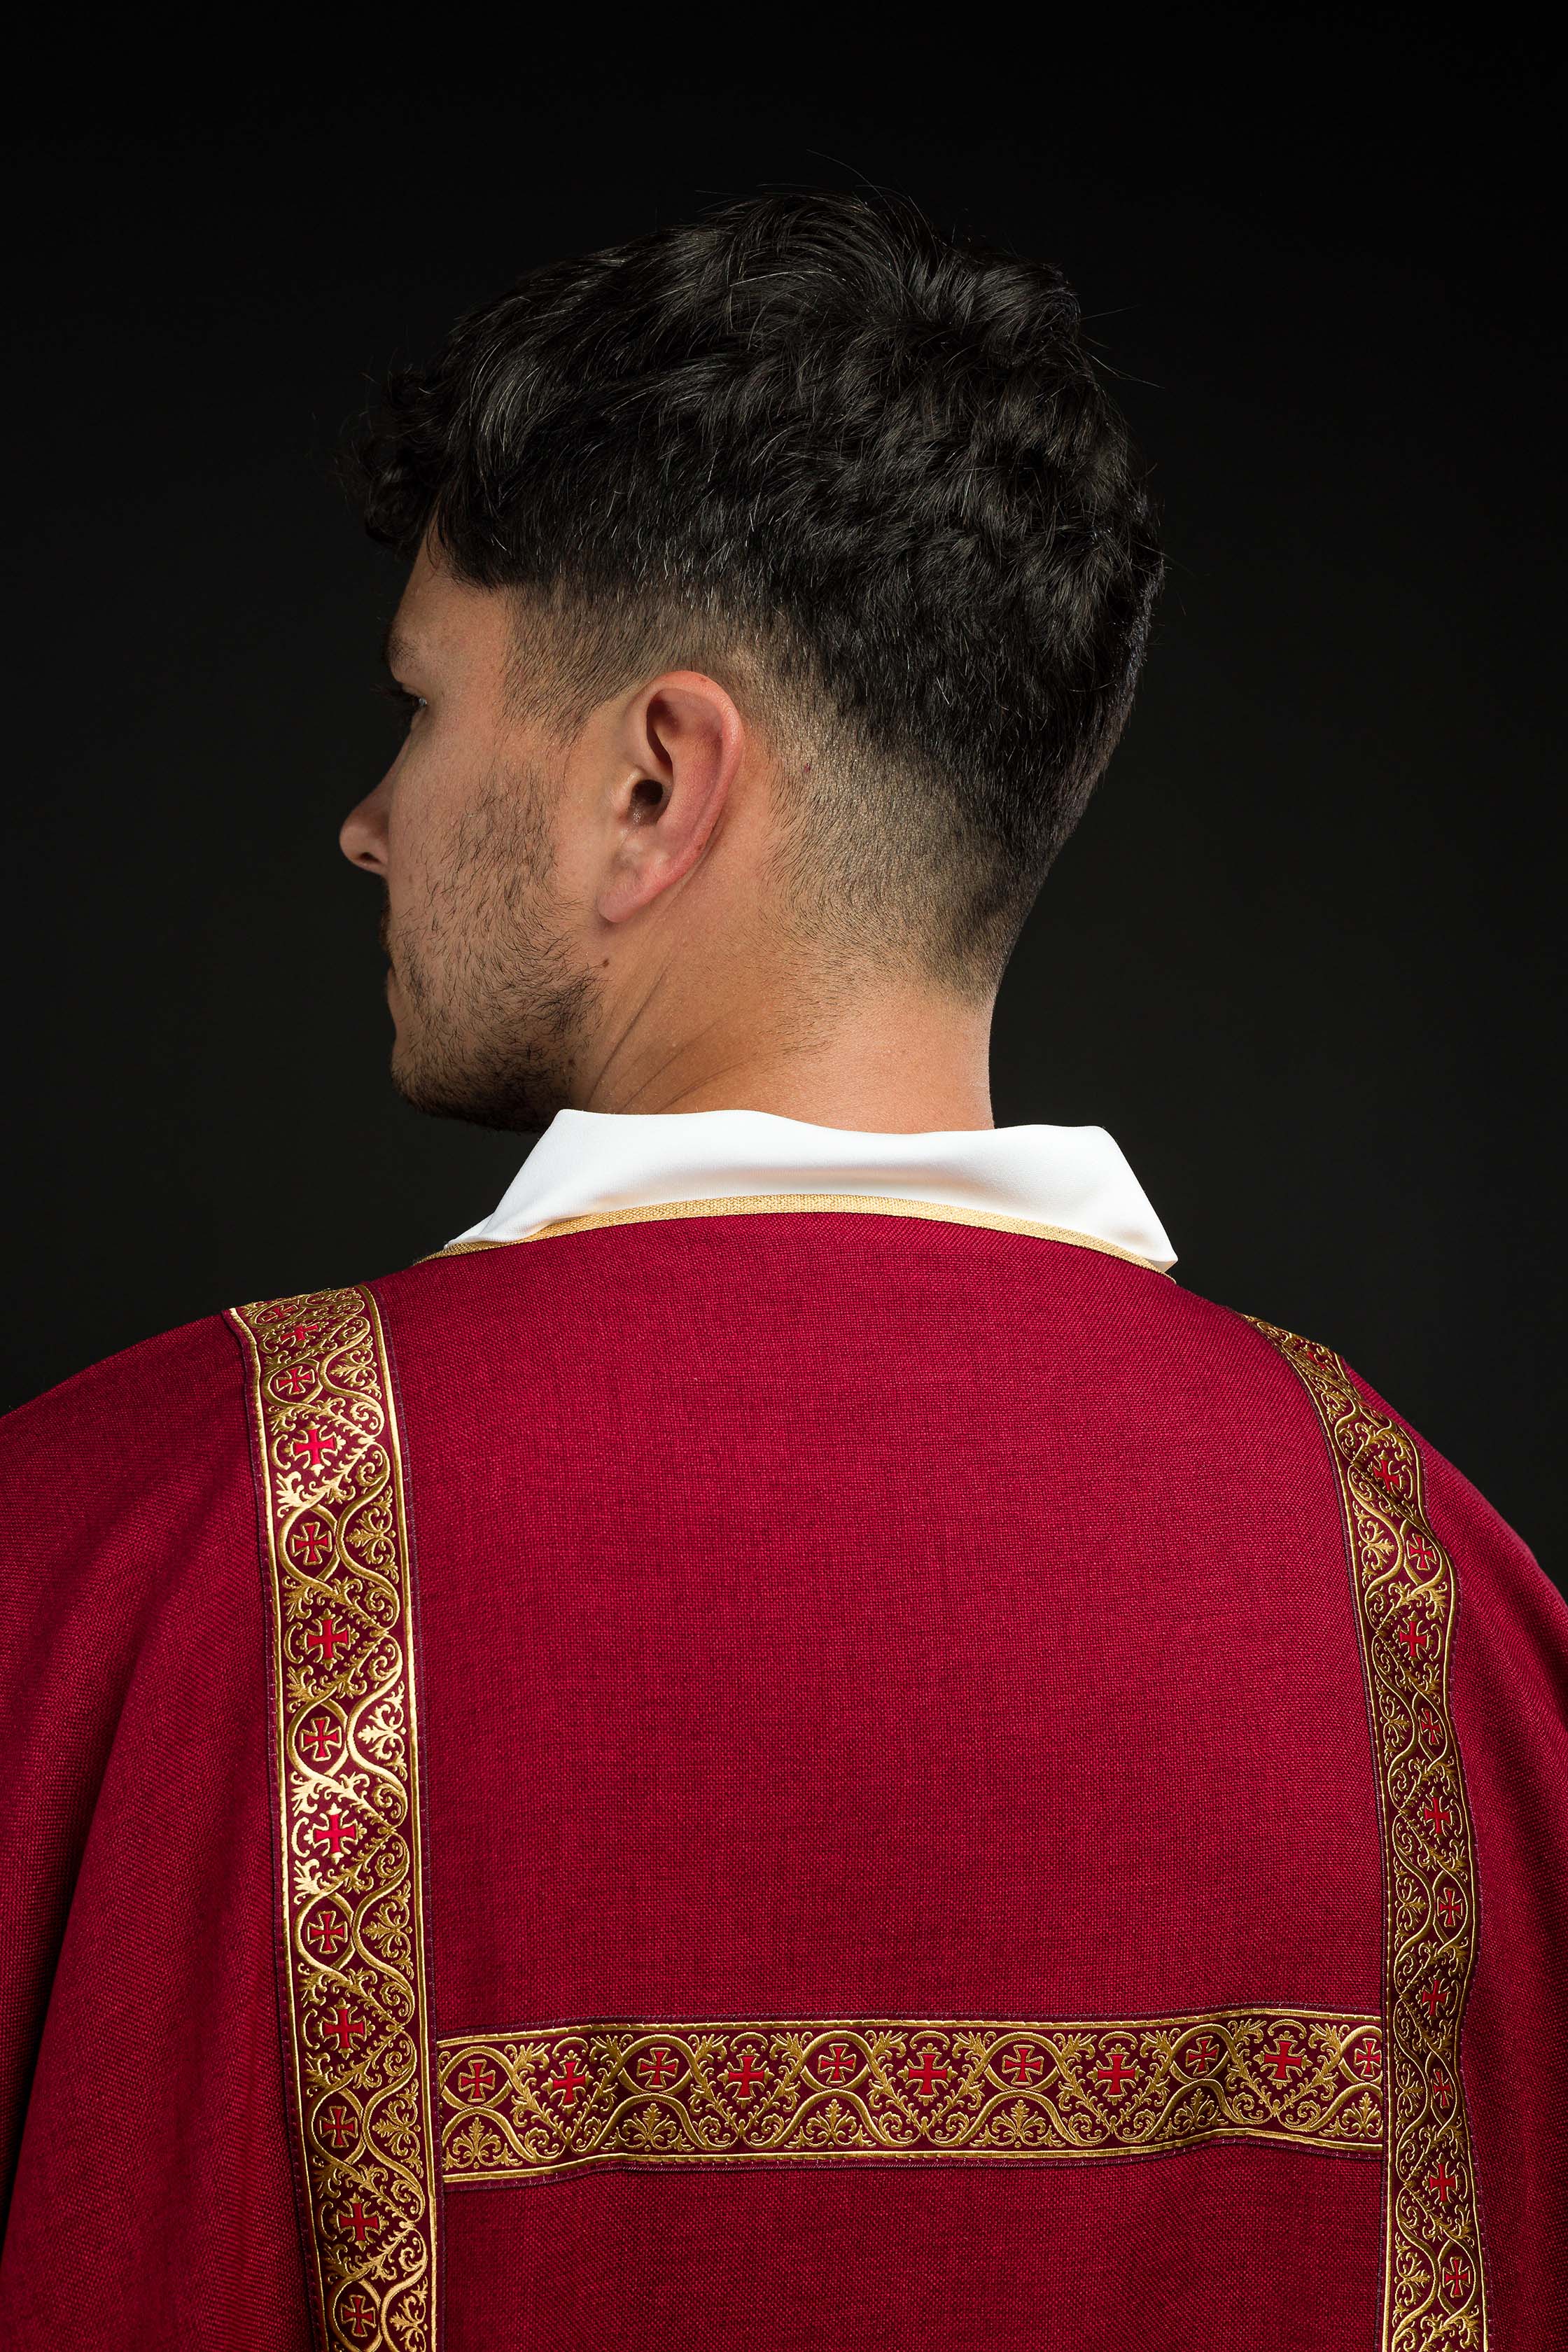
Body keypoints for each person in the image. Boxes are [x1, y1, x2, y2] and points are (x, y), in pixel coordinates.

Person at [0, 189, 1560, 2352]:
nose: (369, 818)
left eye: (423, 707)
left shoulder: (118, 1556)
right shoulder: (1461, 1616)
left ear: (654, 781)